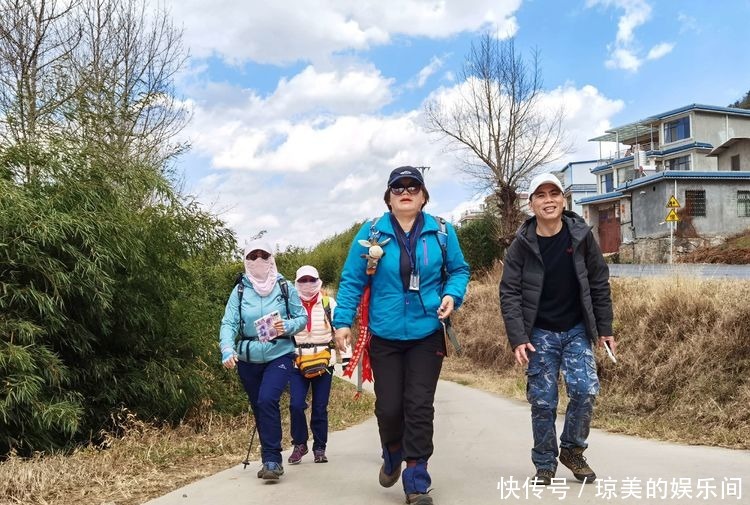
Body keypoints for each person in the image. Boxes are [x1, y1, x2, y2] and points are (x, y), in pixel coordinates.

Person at [333, 166, 470, 505]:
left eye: (413, 186)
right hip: (386, 333)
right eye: (398, 187)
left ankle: (416, 477)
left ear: (424, 196)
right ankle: (392, 451)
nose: (405, 191)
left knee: (419, 405)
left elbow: (459, 270)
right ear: (388, 197)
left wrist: (452, 294)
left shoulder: (442, 232)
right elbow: (352, 280)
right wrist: (342, 322)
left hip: (427, 332)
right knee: (390, 407)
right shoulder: (371, 234)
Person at [499, 172, 617, 486]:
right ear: (531, 203)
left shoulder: (580, 237)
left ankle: (573, 450)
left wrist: (605, 329)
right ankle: (544, 464)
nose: (548, 200)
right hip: (539, 333)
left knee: (584, 390)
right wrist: (518, 338)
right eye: (541, 195)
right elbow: (509, 292)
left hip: (577, 328)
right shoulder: (521, 246)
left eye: (554, 194)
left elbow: (599, 283)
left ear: (563, 200)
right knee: (543, 400)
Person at [218, 241, 307, 481]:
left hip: (279, 353)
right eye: (252, 256)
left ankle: (272, 460)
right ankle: (269, 453)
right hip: (248, 357)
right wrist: (227, 348)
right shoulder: (239, 290)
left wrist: (285, 326)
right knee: (259, 405)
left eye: (263, 255)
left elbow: (301, 318)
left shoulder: (284, 286)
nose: (258, 260)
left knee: (268, 399)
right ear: (246, 260)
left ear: (271, 258)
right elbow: (228, 323)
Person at [287, 265, 337, 465]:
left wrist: (347, 356)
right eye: (303, 280)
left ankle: (319, 447)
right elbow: (282, 330)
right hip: (297, 360)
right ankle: (299, 443)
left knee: (320, 406)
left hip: (324, 360)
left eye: (311, 280)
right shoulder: (289, 305)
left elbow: (339, 328)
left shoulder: (328, 303)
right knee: (296, 405)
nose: (307, 284)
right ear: (296, 283)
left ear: (318, 281)